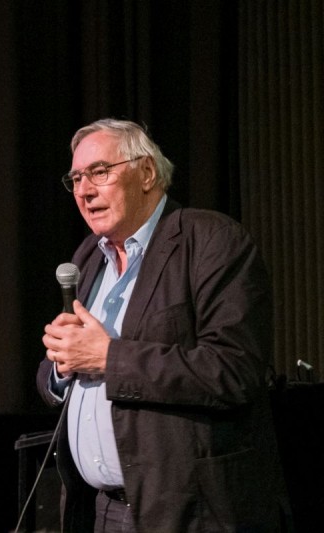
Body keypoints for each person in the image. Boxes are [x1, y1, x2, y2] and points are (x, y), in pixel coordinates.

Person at [37, 119, 290, 532]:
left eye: (100, 172)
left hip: (188, 511)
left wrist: (108, 357)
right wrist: (61, 368)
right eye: (76, 178)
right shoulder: (88, 256)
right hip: (98, 510)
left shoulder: (209, 241)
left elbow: (235, 370)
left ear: (147, 173)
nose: (84, 190)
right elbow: (58, 366)